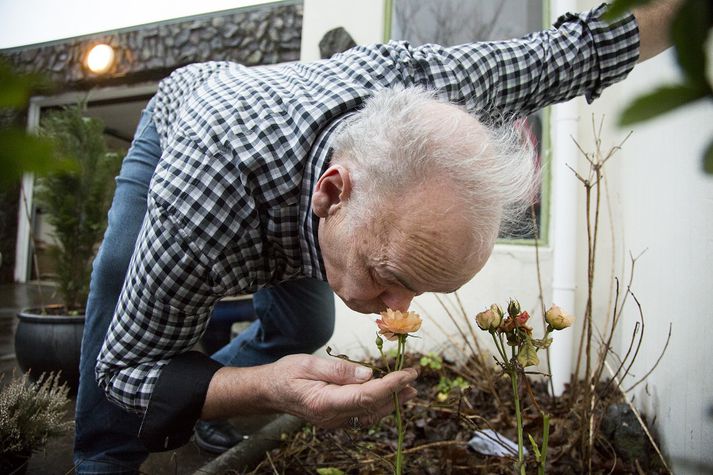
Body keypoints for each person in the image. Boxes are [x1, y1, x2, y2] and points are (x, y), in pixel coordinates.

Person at [73, 2, 677, 472]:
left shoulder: (437, 87)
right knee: (120, 277)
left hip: (295, 159)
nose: (399, 312)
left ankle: (206, 406)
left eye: (420, 292)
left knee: (306, 331)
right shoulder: (205, 198)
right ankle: (103, 458)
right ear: (334, 195)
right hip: (184, 120)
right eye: (392, 276)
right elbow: (126, 369)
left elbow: (577, 51)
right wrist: (268, 388)